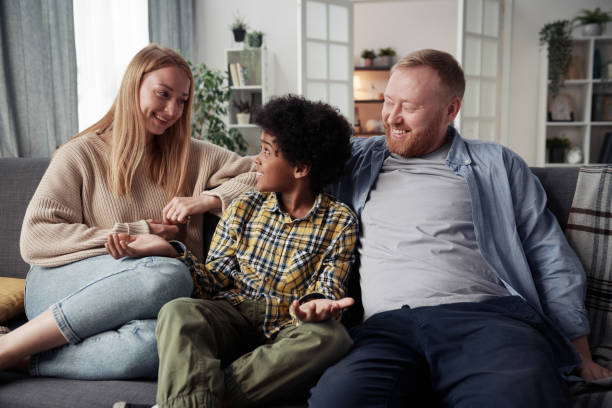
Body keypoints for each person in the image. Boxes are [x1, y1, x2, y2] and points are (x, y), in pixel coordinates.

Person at [308, 49, 612, 407]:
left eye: (410, 107)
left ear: (450, 110)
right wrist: (223, 197)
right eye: (388, 101)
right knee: (337, 400)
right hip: (386, 331)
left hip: (487, 322)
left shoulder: (496, 163)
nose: (392, 118)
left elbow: (548, 254)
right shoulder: (356, 159)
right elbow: (269, 164)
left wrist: (581, 352)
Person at [0, 44, 256, 380]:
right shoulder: (80, 154)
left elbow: (261, 174)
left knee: (161, 344)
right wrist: (136, 234)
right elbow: (36, 238)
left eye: (182, 101)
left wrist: (206, 200)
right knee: (171, 273)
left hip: (139, 302)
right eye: (162, 94)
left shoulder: (193, 155)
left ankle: (24, 359)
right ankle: (8, 347)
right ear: (133, 87)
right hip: (59, 286)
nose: (172, 109)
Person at [109, 95, 359, 408]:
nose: (256, 159)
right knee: (178, 310)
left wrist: (313, 307)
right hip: (234, 316)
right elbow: (213, 280)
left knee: (332, 337)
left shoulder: (339, 220)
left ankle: (195, 399)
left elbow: (328, 288)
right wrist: (173, 252)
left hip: (288, 327)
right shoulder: (243, 206)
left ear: (301, 168)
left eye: (267, 151)